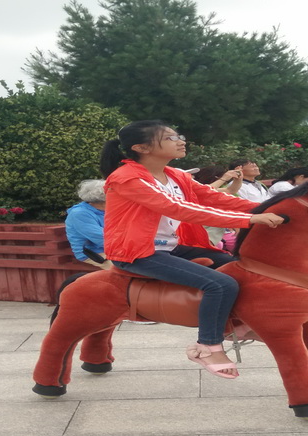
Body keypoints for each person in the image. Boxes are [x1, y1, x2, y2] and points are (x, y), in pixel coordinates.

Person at [100, 120, 285, 379]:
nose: (180, 141)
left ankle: (238, 325)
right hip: (138, 253)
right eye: (170, 138)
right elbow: (179, 209)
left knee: (237, 266)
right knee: (221, 284)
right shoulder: (126, 178)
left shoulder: (175, 174)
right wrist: (250, 219)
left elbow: (214, 197)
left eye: (179, 136)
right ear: (141, 148)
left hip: (173, 247)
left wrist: (272, 207)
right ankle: (207, 346)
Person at [64, 179, 112, 269]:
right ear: (101, 199)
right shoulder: (79, 213)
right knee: (128, 269)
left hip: (111, 249)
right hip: (94, 253)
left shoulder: (106, 209)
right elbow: (101, 238)